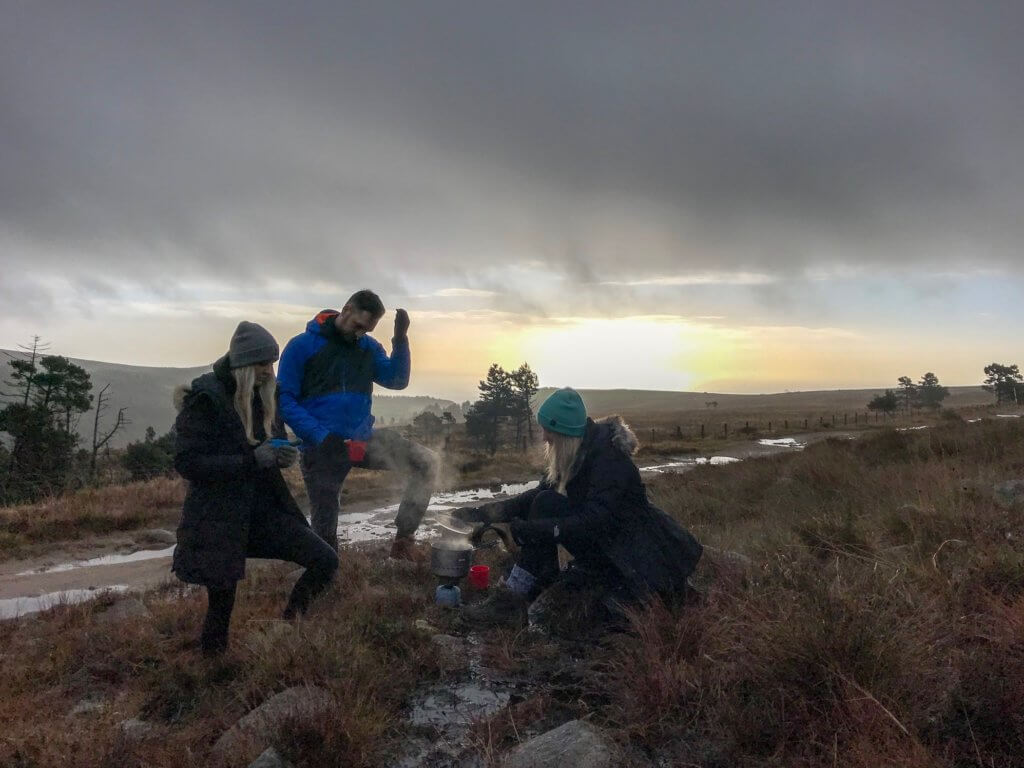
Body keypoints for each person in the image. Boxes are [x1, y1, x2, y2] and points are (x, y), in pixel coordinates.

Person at [453, 388, 702, 631]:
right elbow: (535, 497)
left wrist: (533, 530)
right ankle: (524, 588)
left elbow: (596, 521)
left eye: (548, 431)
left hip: (631, 555)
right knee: (544, 501)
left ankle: (514, 600)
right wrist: (482, 513)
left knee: (610, 614)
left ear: (564, 434)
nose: (544, 438)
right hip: (608, 543)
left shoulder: (610, 461)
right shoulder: (576, 451)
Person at [172, 321, 339, 656]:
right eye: (263, 364)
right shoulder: (206, 399)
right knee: (221, 603)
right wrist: (252, 461)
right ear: (245, 365)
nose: (269, 371)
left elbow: (266, 447)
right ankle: (212, 670)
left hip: (262, 513)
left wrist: (282, 455)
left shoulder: (263, 397)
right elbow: (188, 464)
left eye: (272, 363)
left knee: (325, 560)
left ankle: (288, 626)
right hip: (219, 518)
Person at [277, 290, 438, 560]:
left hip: (361, 440)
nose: (359, 334)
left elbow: (396, 380)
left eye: (368, 329)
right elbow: (284, 400)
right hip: (323, 446)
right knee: (325, 525)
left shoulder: (367, 347)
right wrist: (320, 436)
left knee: (427, 462)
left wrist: (400, 340)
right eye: (358, 327)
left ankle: (403, 542)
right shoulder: (301, 346)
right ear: (347, 309)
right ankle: (326, 573)